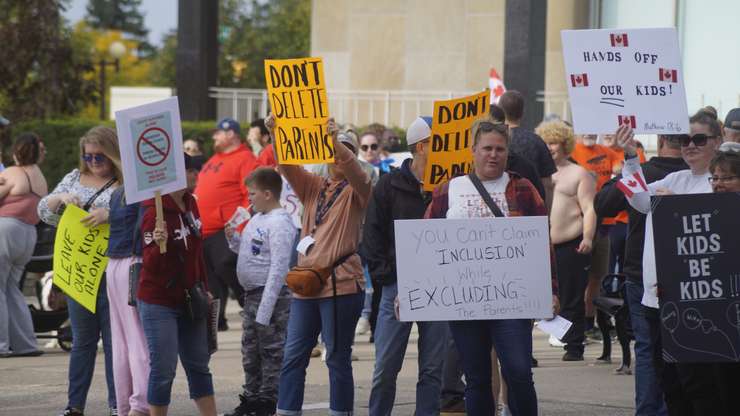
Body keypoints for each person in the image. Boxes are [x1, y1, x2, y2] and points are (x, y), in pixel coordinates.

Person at [426, 116, 559, 416]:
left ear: (507, 153)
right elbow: (426, 245)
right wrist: (408, 291)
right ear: (473, 150)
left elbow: (542, 243)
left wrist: (550, 290)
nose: (493, 155)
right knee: (476, 378)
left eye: (499, 149)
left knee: (519, 371)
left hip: (513, 300)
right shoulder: (448, 191)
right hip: (465, 302)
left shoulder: (523, 188)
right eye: (487, 148)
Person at [617, 110, 723, 415]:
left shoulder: (721, 182)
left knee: (697, 383)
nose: (689, 145)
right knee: (670, 380)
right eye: (683, 139)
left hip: (697, 300)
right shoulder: (676, 178)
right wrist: (630, 156)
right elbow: (637, 198)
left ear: (717, 142)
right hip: (658, 297)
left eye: (698, 139)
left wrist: (676, 207)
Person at [265, 114, 370, 416]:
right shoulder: (313, 185)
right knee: (293, 355)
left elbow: (353, 168)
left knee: (336, 357)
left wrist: (335, 140)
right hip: (306, 284)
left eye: (344, 150)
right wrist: (276, 134)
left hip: (342, 284)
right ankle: (287, 412)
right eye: (332, 151)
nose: (337, 157)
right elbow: (286, 165)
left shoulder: (359, 189)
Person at [595, 132, 686, 415]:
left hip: (640, 272)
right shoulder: (702, 176)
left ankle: (649, 410)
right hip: (686, 274)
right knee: (686, 347)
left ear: (660, 143)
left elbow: (603, 203)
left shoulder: (648, 174)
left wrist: (625, 168)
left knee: (647, 349)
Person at [364, 116, 448, 416]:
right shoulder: (389, 185)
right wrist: (387, 277)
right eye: (439, 142)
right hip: (396, 287)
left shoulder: (451, 186)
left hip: (439, 287)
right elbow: (372, 233)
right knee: (385, 367)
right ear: (422, 147)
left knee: (432, 369)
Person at [38, 126, 121, 416]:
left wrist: (110, 214)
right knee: (81, 343)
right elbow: (43, 212)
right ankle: (75, 406)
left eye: (100, 157)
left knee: (115, 345)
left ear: (113, 154)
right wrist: (60, 199)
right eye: (89, 156)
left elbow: (141, 216)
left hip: (113, 274)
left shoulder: (124, 184)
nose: (94, 162)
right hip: (79, 275)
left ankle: (117, 405)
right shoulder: (74, 177)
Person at [137, 154, 216, 416]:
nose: (196, 175)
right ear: (173, 175)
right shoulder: (153, 212)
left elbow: (197, 250)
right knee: (163, 368)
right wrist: (159, 244)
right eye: (190, 171)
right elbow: (151, 266)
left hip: (191, 298)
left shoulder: (191, 204)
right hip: (158, 300)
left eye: (196, 170)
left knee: (198, 364)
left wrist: (204, 285)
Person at [224, 168, 298, 416]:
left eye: (253, 193)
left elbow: (279, 266)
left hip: (270, 296)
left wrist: (266, 308)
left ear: (268, 194)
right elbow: (250, 252)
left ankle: (268, 399)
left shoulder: (279, 221)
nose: (249, 198)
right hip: (252, 295)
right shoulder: (257, 218)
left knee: (271, 350)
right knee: (251, 351)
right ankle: (252, 396)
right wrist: (233, 238)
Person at [536, 120, 596, 361]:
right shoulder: (536, 173)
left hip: (570, 243)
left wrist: (589, 237)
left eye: (554, 143)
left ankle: (574, 346)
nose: (550, 147)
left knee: (572, 298)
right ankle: (527, 351)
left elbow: (589, 208)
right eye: (546, 143)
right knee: (536, 299)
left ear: (564, 145)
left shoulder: (579, 173)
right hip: (542, 246)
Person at [195, 118, 260, 331]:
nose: (214, 137)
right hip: (204, 230)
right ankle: (216, 322)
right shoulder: (214, 159)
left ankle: (253, 306)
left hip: (226, 230)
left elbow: (249, 195)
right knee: (211, 281)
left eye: (218, 133)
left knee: (227, 265)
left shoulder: (245, 158)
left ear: (231, 134)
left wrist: (240, 228)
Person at [0, 133, 47, 358]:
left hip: (6, 229)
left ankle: (1, 345)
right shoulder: (39, 176)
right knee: (12, 289)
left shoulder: (12, 172)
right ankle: (25, 344)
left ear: (17, 151)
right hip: (28, 235)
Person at [569, 133, 621, 340]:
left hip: (605, 224)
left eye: (593, 129)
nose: (590, 133)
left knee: (597, 276)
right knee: (578, 279)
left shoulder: (605, 151)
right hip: (580, 224)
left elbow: (619, 164)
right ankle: (576, 324)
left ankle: (590, 322)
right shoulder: (572, 152)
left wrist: (619, 168)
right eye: (586, 129)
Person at [105, 184, 149, 416]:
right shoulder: (139, 191)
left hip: (114, 263)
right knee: (138, 338)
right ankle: (140, 404)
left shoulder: (117, 192)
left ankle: (126, 404)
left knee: (122, 341)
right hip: (133, 262)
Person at [497, 90, 557, 209]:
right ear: (523, 112)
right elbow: (547, 185)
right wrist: (546, 216)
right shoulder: (537, 141)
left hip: (500, 207)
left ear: (500, 110)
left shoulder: (494, 142)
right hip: (530, 209)